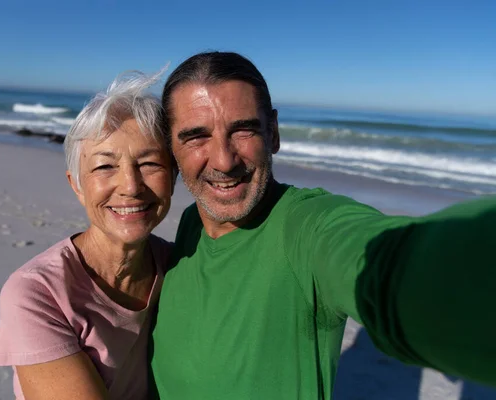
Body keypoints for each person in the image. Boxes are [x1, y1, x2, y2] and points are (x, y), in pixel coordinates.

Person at [150, 51, 496, 399]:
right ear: (171, 149)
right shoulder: (191, 223)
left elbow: (383, 264)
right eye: (196, 137)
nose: (224, 161)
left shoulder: (305, 226)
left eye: (244, 129)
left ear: (273, 133)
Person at [0, 70, 175, 400]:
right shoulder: (38, 293)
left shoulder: (178, 266)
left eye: (149, 163)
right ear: (76, 184)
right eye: (105, 167)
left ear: (173, 176)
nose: (131, 187)